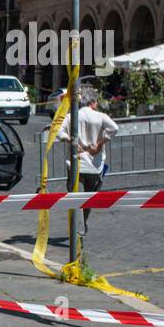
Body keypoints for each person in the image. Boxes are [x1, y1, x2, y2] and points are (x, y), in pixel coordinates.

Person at [55, 87, 118, 233]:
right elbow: (114, 128)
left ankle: (78, 229)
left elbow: (58, 130)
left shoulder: (72, 116)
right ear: (93, 102)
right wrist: (100, 143)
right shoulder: (100, 116)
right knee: (89, 200)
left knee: (75, 199)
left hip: (76, 164)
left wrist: (70, 141)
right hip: (94, 166)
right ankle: (82, 225)